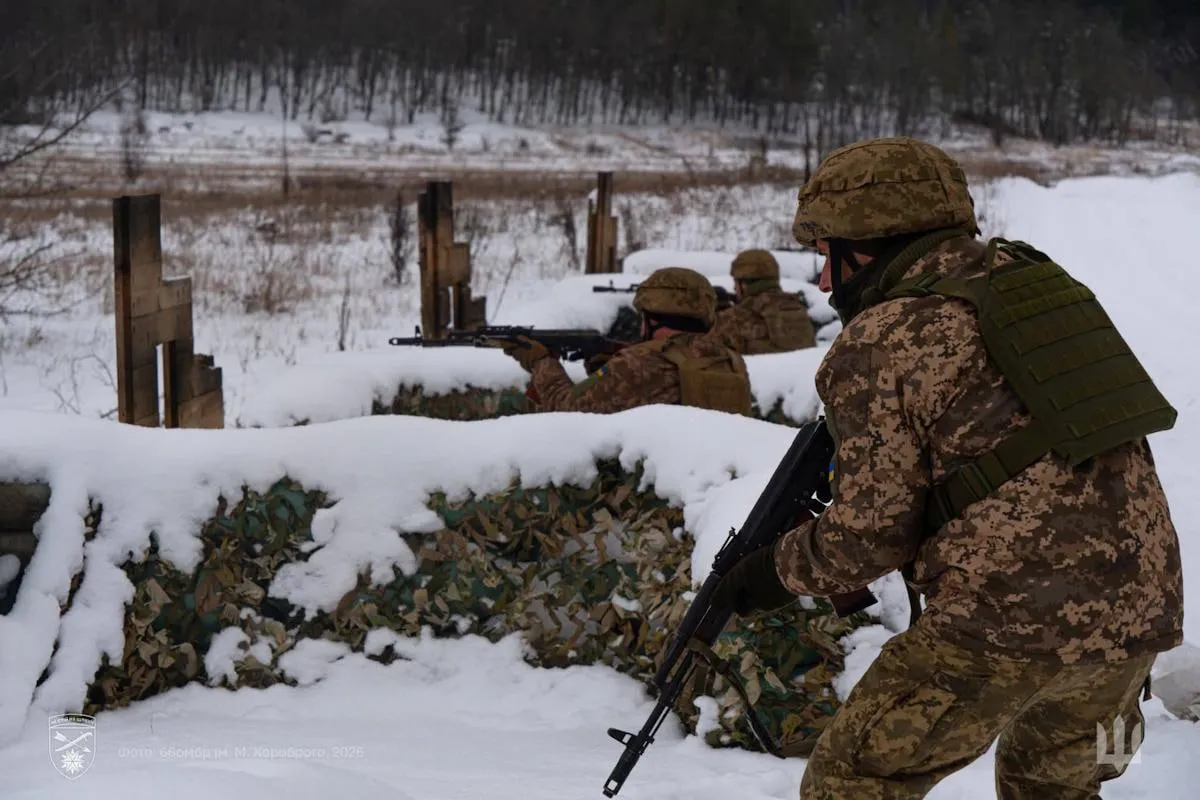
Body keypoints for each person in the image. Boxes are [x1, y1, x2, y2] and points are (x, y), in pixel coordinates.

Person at [709, 136, 1184, 799]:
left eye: (826, 256)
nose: (823, 282)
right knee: (1057, 790)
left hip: (1001, 626)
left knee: (850, 780)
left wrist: (773, 572)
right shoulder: (1045, 288)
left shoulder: (879, 340)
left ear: (865, 243)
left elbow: (868, 539)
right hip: (1139, 622)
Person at [499, 266, 753, 415]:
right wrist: (606, 369)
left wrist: (541, 362)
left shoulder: (640, 362)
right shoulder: (729, 359)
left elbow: (567, 410)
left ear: (650, 319)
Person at [710, 248, 817, 354]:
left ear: (744, 285)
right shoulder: (798, 309)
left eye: (736, 282)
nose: (734, 288)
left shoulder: (733, 319)